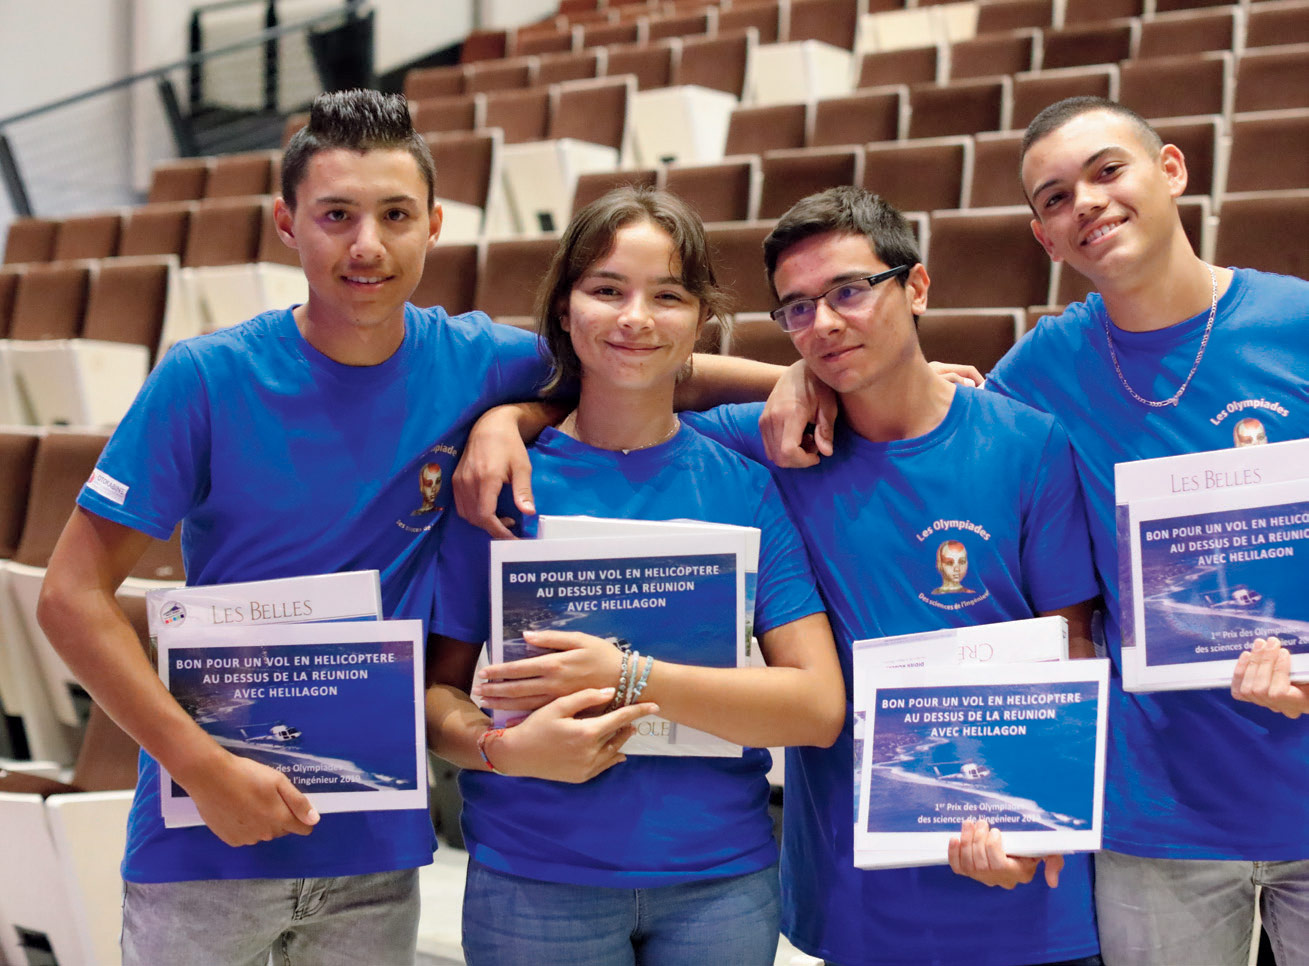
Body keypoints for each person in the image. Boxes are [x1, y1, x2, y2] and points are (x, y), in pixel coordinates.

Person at [35, 90, 784, 966]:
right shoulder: (205, 378)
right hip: (210, 828)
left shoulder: (471, 360)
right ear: (286, 223)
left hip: (373, 842)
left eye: (394, 215)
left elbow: (643, 364)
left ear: (432, 223)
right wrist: (200, 767)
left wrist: (815, 380)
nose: (366, 245)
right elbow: (67, 597)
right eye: (336, 215)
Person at [761, 98, 1309, 964]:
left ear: (1170, 170)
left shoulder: (1296, 322)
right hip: (1153, 816)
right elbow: (933, 419)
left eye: (1105, 171)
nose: (1084, 203)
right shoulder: (1040, 375)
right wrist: (802, 377)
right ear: (1043, 239)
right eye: (1054, 199)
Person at [672, 186, 1102, 966]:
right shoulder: (780, 440)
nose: (824, 323)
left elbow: (1072, 641)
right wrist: (783, 375)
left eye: (848, 291)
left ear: (917, 286)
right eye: (796, 308)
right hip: (857, 894)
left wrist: (1042, 820)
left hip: (1024, 880)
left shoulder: (1027, 443)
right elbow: (638, 372)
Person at [425, 186, 844, 966]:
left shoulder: (742, 484)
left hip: (720, 880)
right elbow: (433, 696)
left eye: (668, 296)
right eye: (607, 290)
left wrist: (628, 676)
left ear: (698, 321)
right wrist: (496, 749)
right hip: (534, 878)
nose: (635, 319)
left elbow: (816, 706)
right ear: (562, 307)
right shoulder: (499, 482)